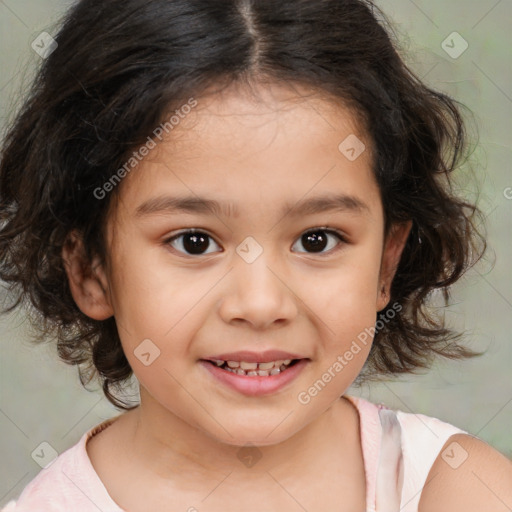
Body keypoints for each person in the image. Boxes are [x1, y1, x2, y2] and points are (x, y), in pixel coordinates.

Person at [1, 0, 510, 510]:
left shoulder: (461, 490)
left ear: (386, 263)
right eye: (194, 241)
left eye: (317, 239)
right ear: (92, 270)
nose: (262, 303)